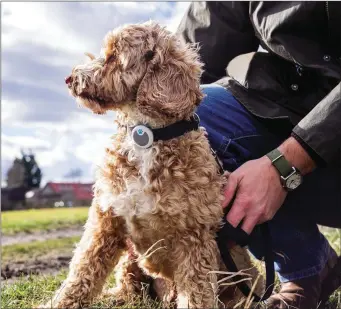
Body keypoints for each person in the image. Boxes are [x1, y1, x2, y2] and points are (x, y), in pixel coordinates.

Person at [177, 2, 341, 308]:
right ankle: (309, 268)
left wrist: (284, 165)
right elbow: (185, 70)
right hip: (299, 120)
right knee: (187, 119)